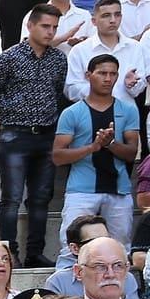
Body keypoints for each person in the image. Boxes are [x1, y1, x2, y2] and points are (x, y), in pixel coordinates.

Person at [0, 5, 68, 267]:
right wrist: (7, 117)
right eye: (45, 26)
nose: (50, 32)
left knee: (41, 198)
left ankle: (34, 253)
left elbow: (59, 93)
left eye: (54, 27)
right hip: (15, 136)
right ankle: (9, 254)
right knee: (11, 198)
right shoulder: (9, 58)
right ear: (30, 26)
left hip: (46, 137)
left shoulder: (58, 59)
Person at [53, 54, 141, 261]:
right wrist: (92, 147)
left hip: (119, 189)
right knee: (71, 249)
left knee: (121, 249)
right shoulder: (72, 112)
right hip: (81, 189)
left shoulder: (128, 110)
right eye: (102, 73)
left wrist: (110, 144)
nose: (108, 78)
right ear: (88, 75)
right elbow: (58, 156)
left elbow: (131, 153)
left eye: (113, 74)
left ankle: (121, 292)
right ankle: (66, 291)